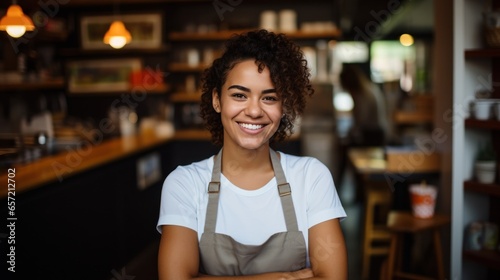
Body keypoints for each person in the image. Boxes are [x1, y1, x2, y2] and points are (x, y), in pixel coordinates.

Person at [157, 29, 347, 280]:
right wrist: (282, 277)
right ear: (217, 100)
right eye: (239, 95)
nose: (254, 111)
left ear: (283, 106)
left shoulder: (311, 177)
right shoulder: (184, 184)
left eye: (269, 98)